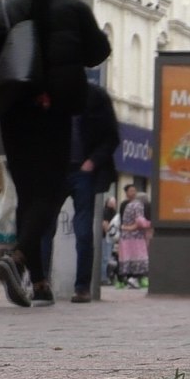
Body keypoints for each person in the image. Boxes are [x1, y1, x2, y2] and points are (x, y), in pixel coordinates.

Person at [0, 0, 111, 308]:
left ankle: (39, 281)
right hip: (56, 110)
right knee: (49, 192)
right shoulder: (72, 8)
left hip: (15, 111)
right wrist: (75, 1)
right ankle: (17, 258)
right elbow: (98, 53)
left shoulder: (5, 7)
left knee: (31, 193)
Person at [60, 82, 120, 304]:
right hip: (57, 170)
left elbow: (111, 137)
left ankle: (82, 286)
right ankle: (39, 281)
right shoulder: (55, 93)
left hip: (83, 171)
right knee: (44, 226)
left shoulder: (95, 97)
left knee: (83, 231)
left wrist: (92, 162)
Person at [116, 191, 151, 289]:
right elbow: (140, 221)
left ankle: (128, 279)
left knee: (128, 258)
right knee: (139, 258)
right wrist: (150, 223)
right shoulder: (139, 205)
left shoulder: (129, 205)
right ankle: (134, 279)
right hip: (136, 237)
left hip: (125, 236)